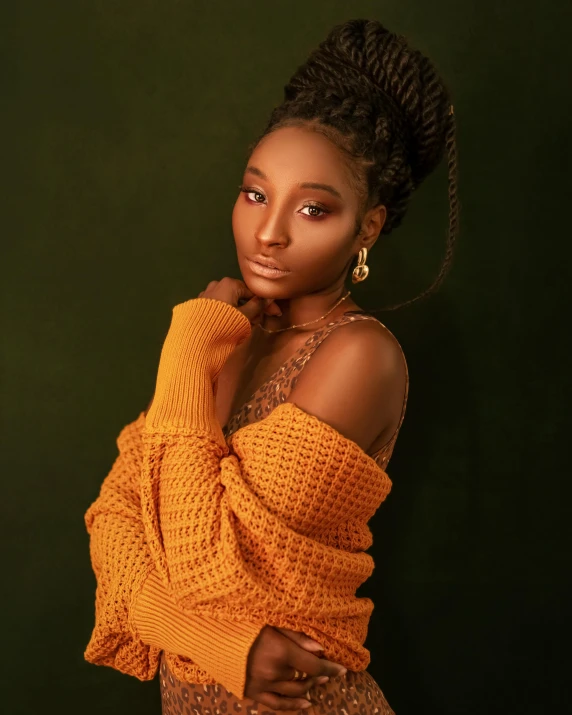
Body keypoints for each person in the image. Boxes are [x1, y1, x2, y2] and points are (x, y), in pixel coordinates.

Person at [84, 17, 458, 715]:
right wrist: (217, 642)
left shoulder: (360, 356)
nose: (268, 231)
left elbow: (204, 565)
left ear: (367, 228)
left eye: (313, 208)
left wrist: (187, 344)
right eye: (255, 193)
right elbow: (113, 520)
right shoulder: (234, 338)